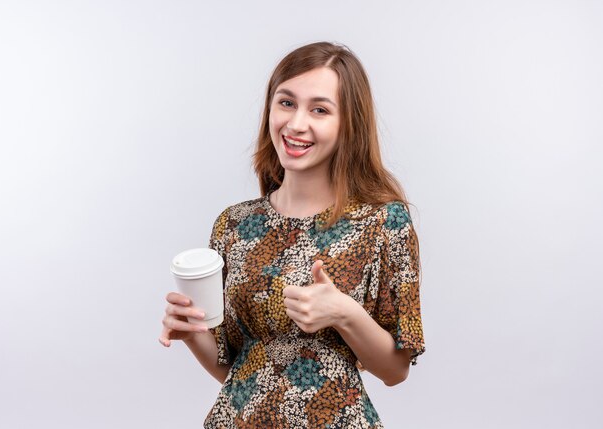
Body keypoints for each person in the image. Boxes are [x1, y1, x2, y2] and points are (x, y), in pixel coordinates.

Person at [159, 41, 425, 429]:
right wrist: (191, 333)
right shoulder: (234, 225)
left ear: (349, 123)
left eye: (319, 109)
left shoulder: (383, 222)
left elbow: (395, 370)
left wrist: (344, 312)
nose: (297, 123)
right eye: (286, 103)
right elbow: (240, 371)